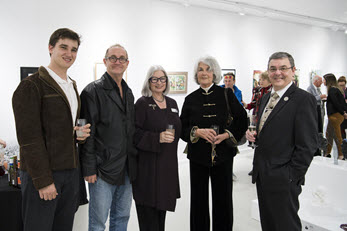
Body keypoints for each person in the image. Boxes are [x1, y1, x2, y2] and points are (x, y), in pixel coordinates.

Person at [12, 28, 91, 231]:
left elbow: (60, 131)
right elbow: (29, 139)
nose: (69, 54)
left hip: (70, 174)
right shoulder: (31, 85)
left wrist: (78, 136)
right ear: (50, 48)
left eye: (74, 50)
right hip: (45, 176)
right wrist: (44, 181)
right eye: (63, 47)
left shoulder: (71, 86)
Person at [246, 52, 318, 231]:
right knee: (269, 224)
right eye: (273, 69)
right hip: (263, 174)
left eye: (283, 68)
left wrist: (291, 176)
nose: (278, 73)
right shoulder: (265, 98)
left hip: (284, 178)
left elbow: (308, 145)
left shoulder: (303, 99)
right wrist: (254, 136)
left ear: (293, 71)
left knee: (286, 226)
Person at [180, 56, 247, 231]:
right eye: (200, 69)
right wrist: (197, 132)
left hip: (224, 155)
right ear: (196, 73)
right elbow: (182, 128)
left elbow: (242, 120)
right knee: (198, 201)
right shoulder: (190, 99)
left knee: (223, 200)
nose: (204, 73)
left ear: (215, 73)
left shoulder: (227, 94)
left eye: (208, 69)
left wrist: (226, 135)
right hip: (198, 157)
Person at [80, 44, 137, 231]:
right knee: (98, 223)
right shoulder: (92, 92)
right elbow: (87, 133)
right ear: (105, 61)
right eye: (113, 58)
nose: (117, 62)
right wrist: (89, 169)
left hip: (127, 167)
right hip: (102, 169)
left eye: (122, 58)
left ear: (127, 63)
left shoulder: (128, 93)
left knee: (122, 217)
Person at [132, 65, 181, 231]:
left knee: (161, 218)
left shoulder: (173, 103)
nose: (159, 82)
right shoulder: (142, 103)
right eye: (155, 79)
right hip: (148, 169)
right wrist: (157, 137)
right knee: (148, 218)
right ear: (149, 82)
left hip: (167, 167)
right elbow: (134, 134)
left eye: (162, 79)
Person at [244, 71, 272, 175]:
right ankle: (255, 168)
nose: (260, 81)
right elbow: (254, 103)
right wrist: (247, 105)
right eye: (259, 79)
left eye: (262, 79)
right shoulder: (257, 90)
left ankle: (264, 168)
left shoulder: (272, 91)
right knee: (256, 143)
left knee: (265, 143)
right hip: (256, 118)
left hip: (267, 119)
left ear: (269, 80)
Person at [323, 73, 347, 160]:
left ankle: (341, 154)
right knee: (329, 134)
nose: (323, 82)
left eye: (324, 80)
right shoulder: (336, 89)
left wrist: (343, 112)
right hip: (335, 116)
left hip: (335, 116)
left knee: (336, 135)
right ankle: (327, 153)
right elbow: (342, 102)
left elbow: (336, 103)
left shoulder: (332, 90)